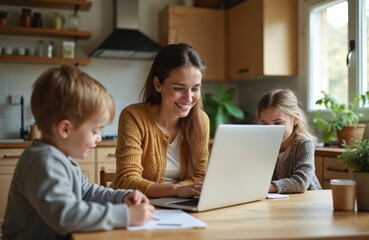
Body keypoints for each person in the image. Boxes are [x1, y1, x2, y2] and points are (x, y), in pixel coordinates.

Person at [2, 65, 154, 240]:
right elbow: (66, 216)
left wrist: (122, 197)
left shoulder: (62, 158)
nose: (99, 138)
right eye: (95, 131)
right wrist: (126, 216)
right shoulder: (42, 162)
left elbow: (86, 192)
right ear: (65, 129)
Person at [111, 43, 210, 198]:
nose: (189, 98)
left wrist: (179, 191)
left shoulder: (201, 121)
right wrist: (176, 190)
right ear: (158, 84)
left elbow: (199, 175)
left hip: (179, 205)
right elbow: (127, 180)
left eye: (195, 88)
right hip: (137, 204)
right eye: (179, 88)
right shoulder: (134, 117)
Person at [257, 88, 322, 193]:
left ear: (295, 119)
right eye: (265, 124)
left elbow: (301, 182)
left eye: (278, 123)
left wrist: (265, 187)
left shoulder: (304, 144)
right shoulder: (264, 146)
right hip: (279, 201)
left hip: (310, 201)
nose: (271, 130)